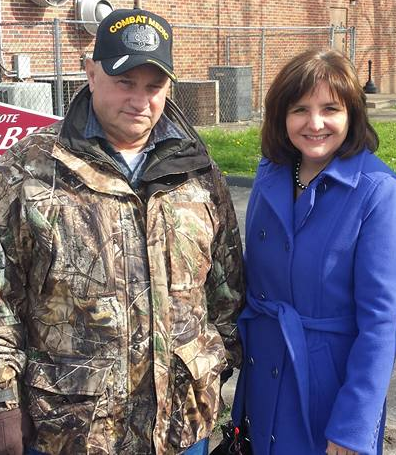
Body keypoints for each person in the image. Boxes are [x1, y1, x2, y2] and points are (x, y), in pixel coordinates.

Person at [0, 8, 244, 455]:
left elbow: (226, 292)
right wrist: (5, 403)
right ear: (91, 74)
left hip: (181, 429)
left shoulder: (198, 173)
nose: (140, 100)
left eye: (155, 87)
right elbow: (3, 297)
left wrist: (211, 366)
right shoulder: (30, 169)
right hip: (71, 432)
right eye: (125, 82)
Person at [232, 49, 396, 455]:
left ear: (352, 114)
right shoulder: (270, 173)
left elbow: (382, 322)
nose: (315, 123)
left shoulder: (377, 190)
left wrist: (354, 425)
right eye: (300, 109)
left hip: (327, 391)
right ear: (281, 116)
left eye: (330, 108)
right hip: (261, 377)